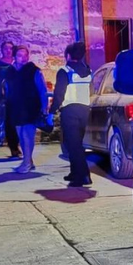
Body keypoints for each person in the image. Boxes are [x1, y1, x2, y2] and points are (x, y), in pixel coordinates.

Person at [49, 42, 93, 187]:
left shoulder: (64, 71)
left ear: (68, 55)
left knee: (73, 145)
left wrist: (52, 111)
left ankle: (83, 176)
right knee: (77, 142)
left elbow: (59, 94)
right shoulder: (88, 70)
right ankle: (74, 173)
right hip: (85, 110)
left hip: (70, 110)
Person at [5, 46, 47, 174]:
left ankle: (27, 162)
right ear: (14, 57)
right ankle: (28, 160)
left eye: (25, 55)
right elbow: (7, 88)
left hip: (30, 106)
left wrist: (45, 106)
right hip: (16, 107)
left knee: (27, 134)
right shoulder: (10, 71)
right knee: (20, 135)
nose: (23, 58)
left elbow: (42, 90)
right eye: (20, 55)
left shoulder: (33, 70)